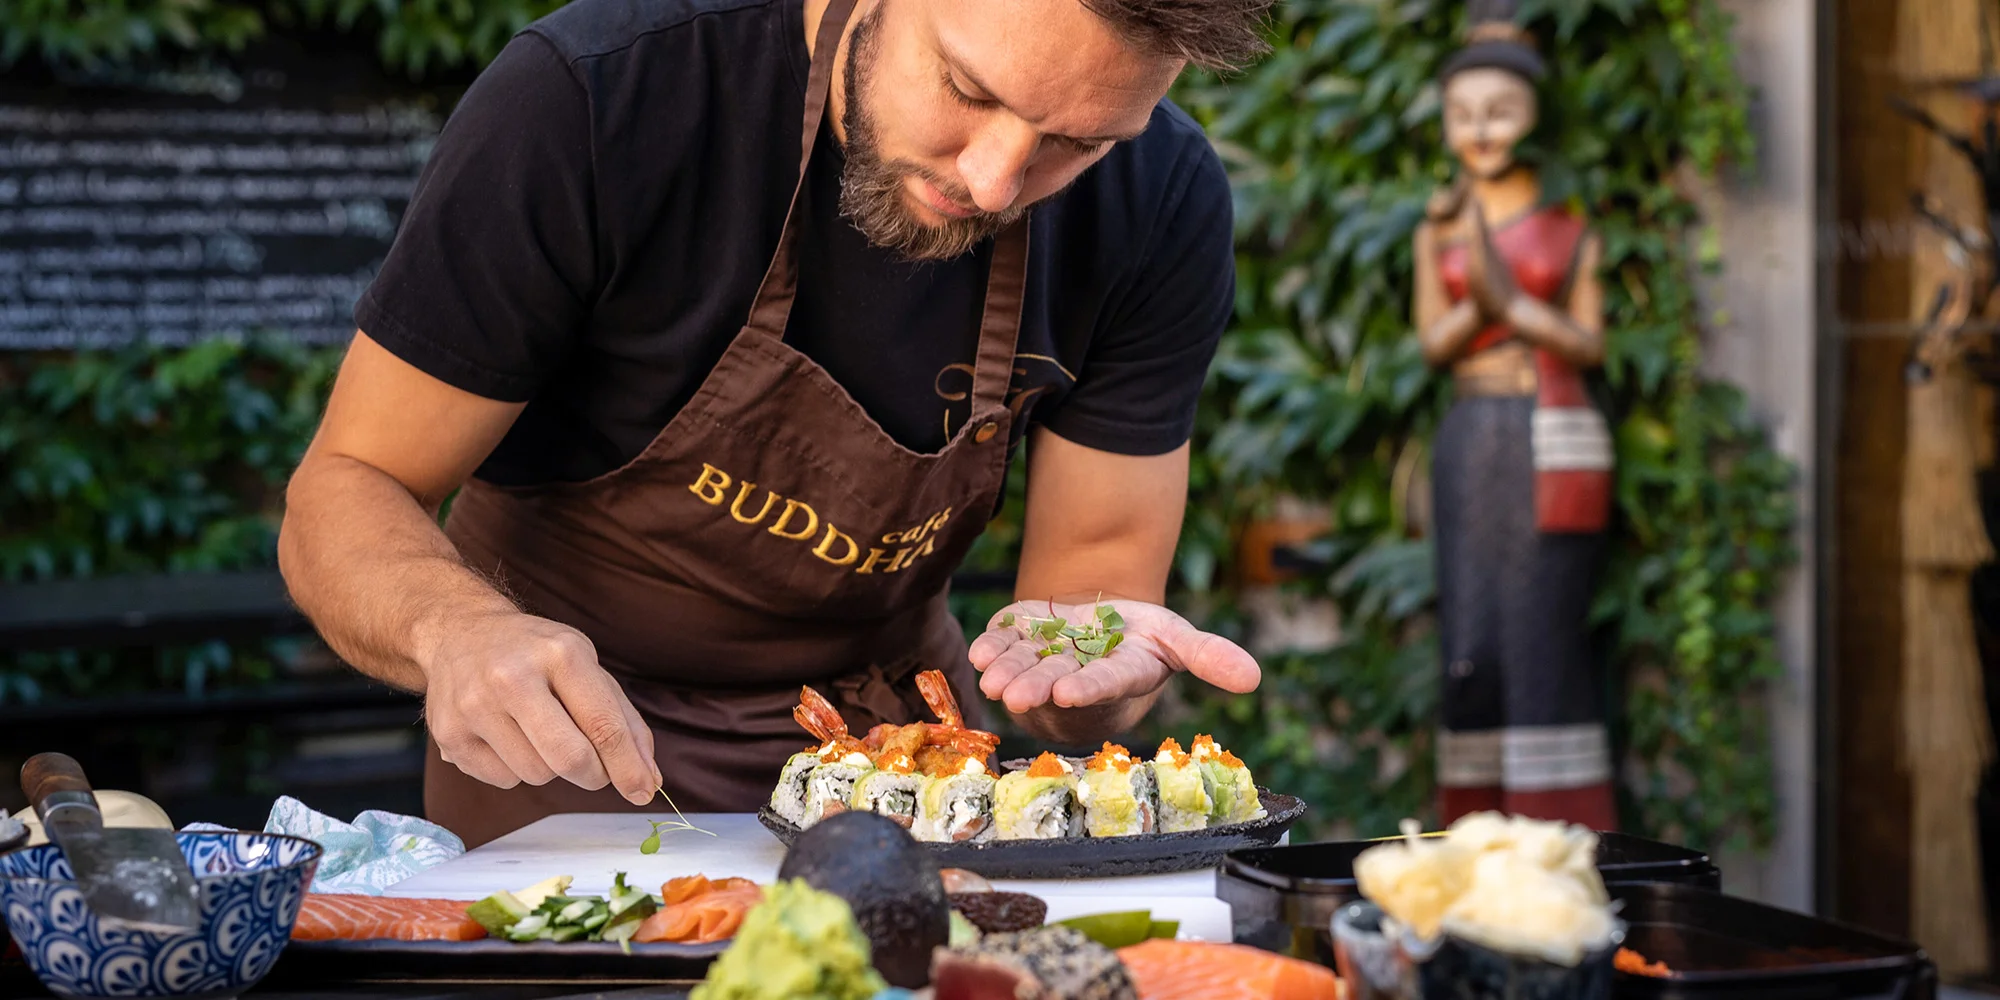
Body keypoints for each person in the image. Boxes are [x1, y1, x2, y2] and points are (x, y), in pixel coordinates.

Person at [278, 0, 1268, 846]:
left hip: (914, 778)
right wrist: (454, 631)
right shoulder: (596, 99)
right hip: (577, 771)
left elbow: (1087, 617)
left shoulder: (1160, 202)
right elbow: (347, 487)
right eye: (967, 89)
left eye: (1073, 143)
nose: (994, 180)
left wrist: (1092, 682)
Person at [1409, 0, 1618, 830]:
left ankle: (1558, 822)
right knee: (1471, 627)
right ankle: (1475, 820)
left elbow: (1590, 342)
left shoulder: (1569, 225)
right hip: (1472, 432)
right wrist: (1483, 304)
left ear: (1533, 117)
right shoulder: (1440, 227)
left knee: (1542, 628)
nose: (1481, 130)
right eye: (1463, 115)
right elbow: (1433, 342)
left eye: (1500, 112)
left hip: (1552, 431)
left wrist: (1514, 307)